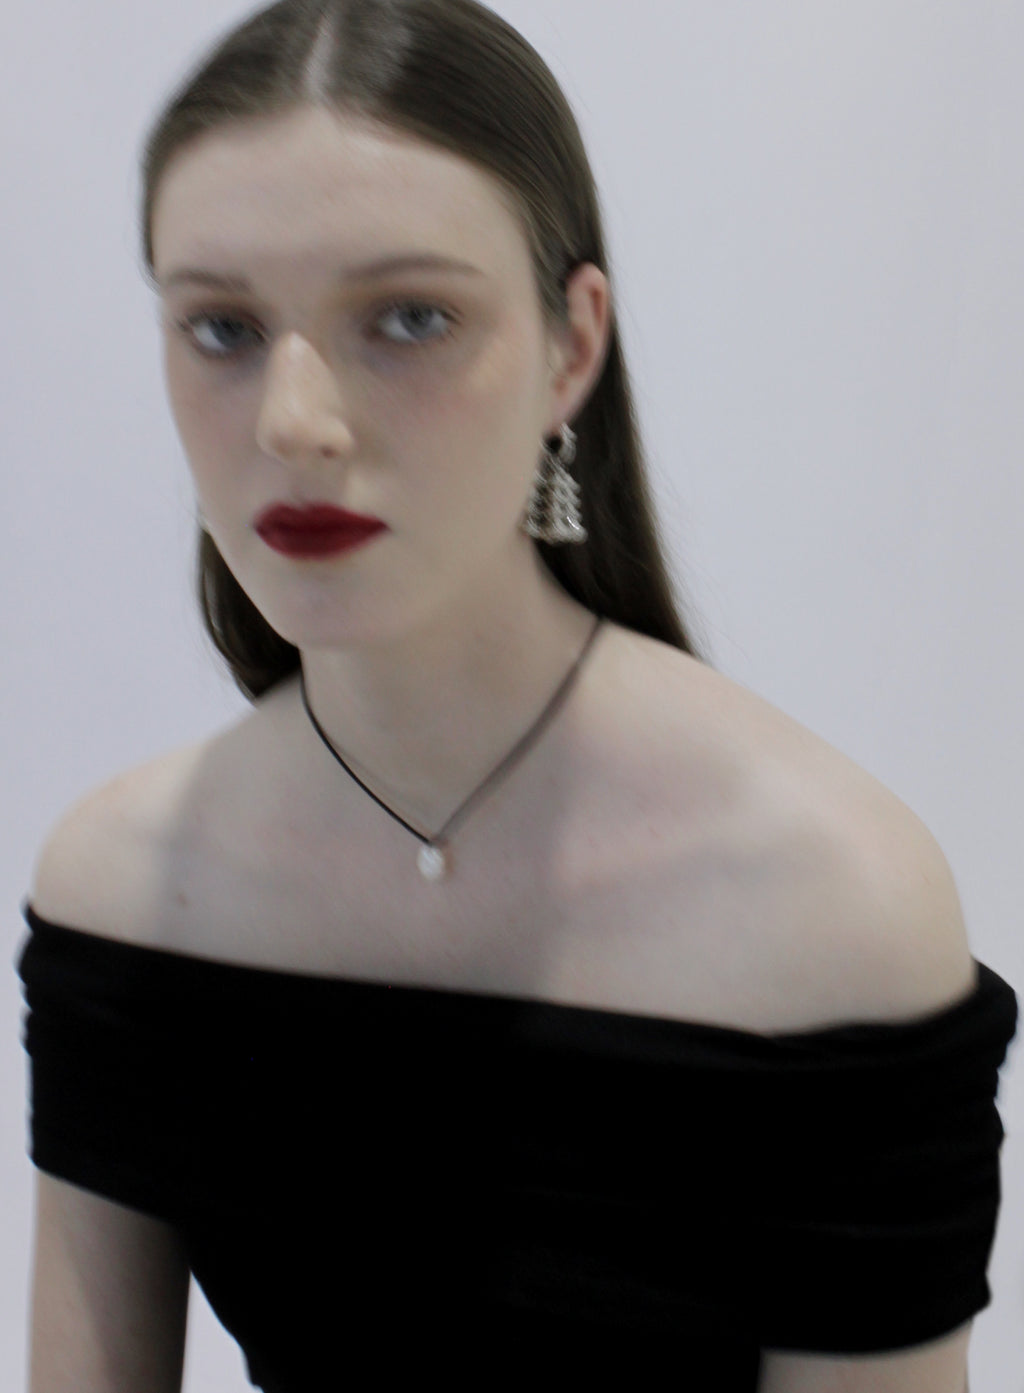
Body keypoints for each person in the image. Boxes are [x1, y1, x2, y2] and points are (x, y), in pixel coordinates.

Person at [15, 2, 1018, 1390]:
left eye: (409, 317)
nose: (296, 419)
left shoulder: (828, 903)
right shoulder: (127, 887)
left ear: (572, 346)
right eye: (225, 327)